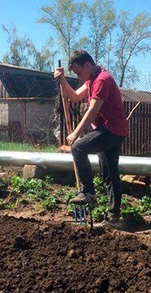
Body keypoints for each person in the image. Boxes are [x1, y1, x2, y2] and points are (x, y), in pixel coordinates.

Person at [54, 50, 128, 229]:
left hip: (112, 130)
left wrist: (76, 133)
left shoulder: (102, 80)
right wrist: (62, 79)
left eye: (79, 72)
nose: (79, 76)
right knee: (110, 173)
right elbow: (74, 97)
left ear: (88, 65)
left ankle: (87, 191)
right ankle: (114, 218)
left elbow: (93, 110)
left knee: (78, 148)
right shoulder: (91, 79)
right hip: (111, 130)